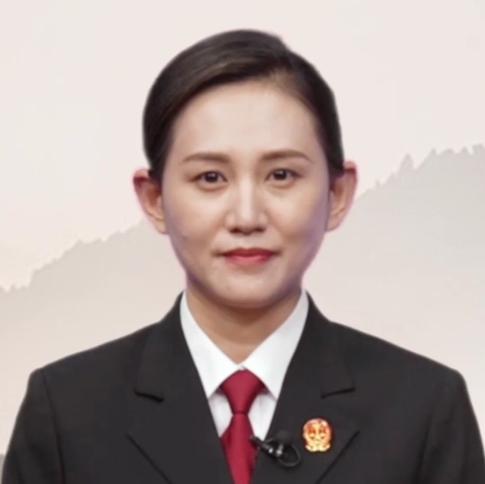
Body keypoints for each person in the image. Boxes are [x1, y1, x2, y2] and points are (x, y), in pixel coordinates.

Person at [2, 29, 484, 484]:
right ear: (155, 200)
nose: (247, 216)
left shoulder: (424, 410)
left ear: (337, 194)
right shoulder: (66, 412)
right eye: (210, 178)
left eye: (281, 175)